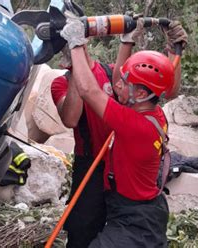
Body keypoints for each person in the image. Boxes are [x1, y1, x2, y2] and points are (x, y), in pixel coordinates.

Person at [58, 12, 187, 247]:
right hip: (140, 209)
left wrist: (77, 43)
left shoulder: (133, 125)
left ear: (139, 94)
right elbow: (118, 78)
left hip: (137, 219)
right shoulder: (149, 111)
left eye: (125, 82)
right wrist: (129, 41)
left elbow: (89, 91)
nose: (117, 85)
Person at [50, 22, 145, 247]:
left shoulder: (109, 71)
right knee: (82, 230)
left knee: (120, 229)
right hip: (90, 166)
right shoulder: (60, 83)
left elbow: (135, 87)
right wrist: (74, 69)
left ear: (86, 38)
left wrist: (127, 41)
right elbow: (71, 118)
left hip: (121, 165)